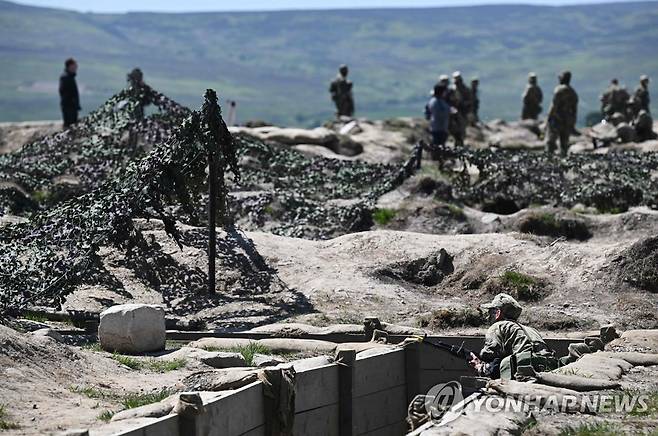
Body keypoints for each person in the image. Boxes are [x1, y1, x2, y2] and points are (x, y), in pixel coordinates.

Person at [468, 293, 557, 380]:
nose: (488, 317)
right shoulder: (531, 330)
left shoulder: (498, 326)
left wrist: (478, 363)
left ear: (498, 313)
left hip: (524, 373)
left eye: (491, 312)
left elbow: (488, 354)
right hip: (548, 372)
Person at [546, 70, 578, 157]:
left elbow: (554, 105)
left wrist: (548, 117)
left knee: (550, 142)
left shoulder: (558, 90)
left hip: (556, 119)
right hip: (567, 120)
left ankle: (549, 159)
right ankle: (563, 160)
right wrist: (572, 122)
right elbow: (574, 110)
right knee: (564, 143)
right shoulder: (573, 92)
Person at [59, 58, 80, 128]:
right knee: (69, 126)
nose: (76, 67)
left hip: (71, 107)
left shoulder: (70, 77)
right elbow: (63, 92)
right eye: (74, 65)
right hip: (69, 107)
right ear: (70, 66)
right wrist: (72, 102)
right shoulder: (66, 77)